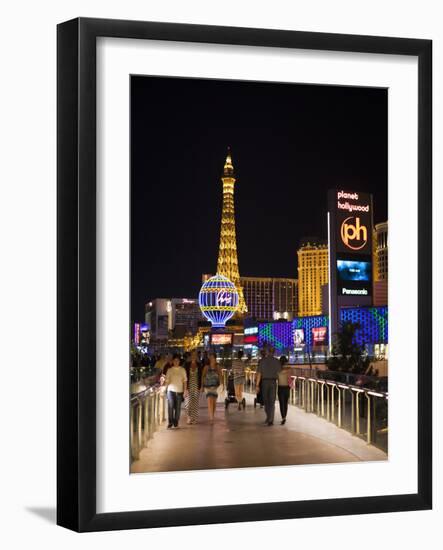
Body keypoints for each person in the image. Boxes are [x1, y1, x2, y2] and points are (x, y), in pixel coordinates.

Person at [255, 347, 281, 426]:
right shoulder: (277, 362)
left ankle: (269, 418)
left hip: (265, 382)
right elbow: (279, 374)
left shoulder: (262, 361)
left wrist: (257, 385)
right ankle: (270, 419)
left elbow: (259, 374)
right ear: (274, 352)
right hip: (273, 382)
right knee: (272, 401)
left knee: (266, 401)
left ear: (267, 352)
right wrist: (280, 384)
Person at [164, 354, 188, 428]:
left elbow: (185, 381)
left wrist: (185, 390)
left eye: (177, 361)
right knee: (170, 406)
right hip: (170, 391)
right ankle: (170, 421)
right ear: (173, 361)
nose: (176, 362)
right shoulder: (169, 370)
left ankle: (176, 421)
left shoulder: (182, 370)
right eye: (175, 360)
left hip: (179, 391)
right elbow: (167, 381)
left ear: (179, 361)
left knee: (178, 407)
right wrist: (164, 388)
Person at [184, 350, 203, 424]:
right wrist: (185, 388)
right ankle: (189, 417)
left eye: (195, 355)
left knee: (195, 403)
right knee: (187, 403)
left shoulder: (199, 365)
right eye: (192, 355)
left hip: (196, 386)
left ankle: (194, 418)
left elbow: (201, 376)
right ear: (190, 356)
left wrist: (201, 386)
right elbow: (184, 377)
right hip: (188, 386)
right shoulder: (187, 364)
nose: (194, 356)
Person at [201, 352, 221, 422]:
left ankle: (212, 414)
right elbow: (203, 376)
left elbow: (220, 376)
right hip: (207, 386)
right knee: (210, 400)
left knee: (214, 402)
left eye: (213, 358)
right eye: (211, 358)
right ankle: (211, 417)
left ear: (215, 359)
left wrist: (221, 385)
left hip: (215, 387)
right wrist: (202, 386)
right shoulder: (206, 367)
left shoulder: (217, 367)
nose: (212, 359)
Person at [277, 355, 292, 425]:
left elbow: (276, 377)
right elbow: (290, 377)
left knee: (281, 403)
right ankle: (285, 416)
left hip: (280, 387)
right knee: (285, 403)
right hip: (287, 388)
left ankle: (283, 417)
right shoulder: (289, 369)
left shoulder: (277, 369)